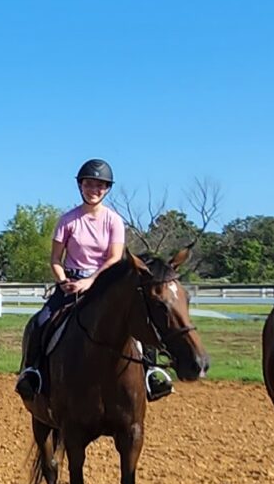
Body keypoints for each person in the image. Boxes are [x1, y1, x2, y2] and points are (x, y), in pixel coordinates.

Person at [12, 159, 170, 401]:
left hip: (106, 284)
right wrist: (63, 280)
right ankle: (32, 372)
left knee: (139, 319)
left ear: (106, 189)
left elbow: (115, 258)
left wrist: (90, 282)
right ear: (80, 186)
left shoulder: (114, 220)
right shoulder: (68, 220)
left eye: (100, 185)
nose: (94, 189)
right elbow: (55, 259)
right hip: (71, 282)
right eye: (89, 184)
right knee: (40, 321)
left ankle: (151, 372)